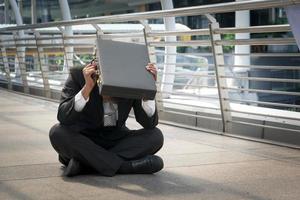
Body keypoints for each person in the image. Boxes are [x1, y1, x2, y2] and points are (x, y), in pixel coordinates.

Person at [49, 61, 164, 177]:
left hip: (115, 140)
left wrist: (148, 89)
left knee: (156, 136)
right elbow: (63, 117)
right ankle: (124, 167)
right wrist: (87, 88)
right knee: (57, 132)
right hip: (85, 139)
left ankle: (86, 164)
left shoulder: (131, 78)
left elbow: (149, 124)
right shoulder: (78, 74)